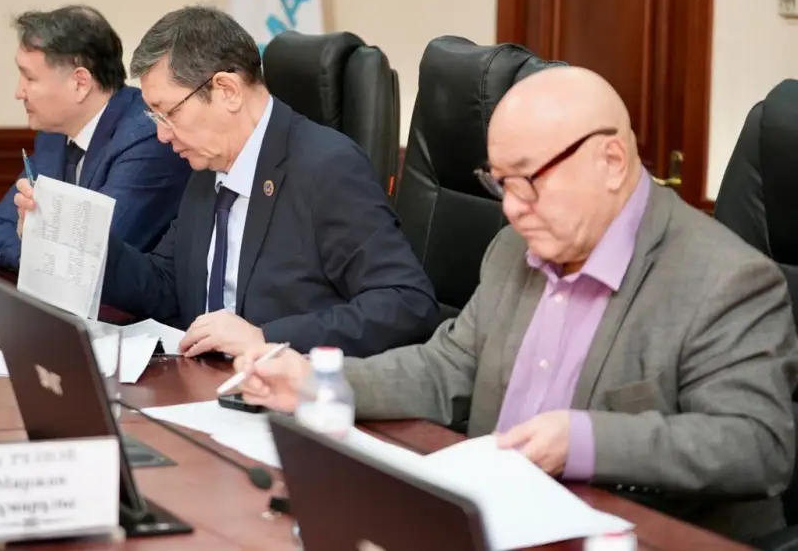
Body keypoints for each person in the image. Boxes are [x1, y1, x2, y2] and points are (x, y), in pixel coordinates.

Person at [234, 66, 798, 542]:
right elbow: (445, 368)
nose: (511, 208)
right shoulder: (514, 248)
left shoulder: (725, 280)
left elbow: (757, 444)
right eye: (500, 183)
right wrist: (318, 382)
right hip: (494, 522)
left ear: (611, 161)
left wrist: (583, 441)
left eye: (528, 181)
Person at [13, 5, 438, 358]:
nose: (161, 135)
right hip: (204, 387)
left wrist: (266, 338)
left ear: (227, 91)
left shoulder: (327, 167)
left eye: (168, 113)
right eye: (153, 116)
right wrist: (71, 239)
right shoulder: (207, 166)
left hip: (288, 396)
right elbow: (167, 285)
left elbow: (407, 304)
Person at [0, 5, 191, 270]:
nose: (19, 92)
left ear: (80, 83)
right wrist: (39, 258)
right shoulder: (53, 135)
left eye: (30, 78)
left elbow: (94, 256)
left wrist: (39, 252)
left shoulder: (146, 139)